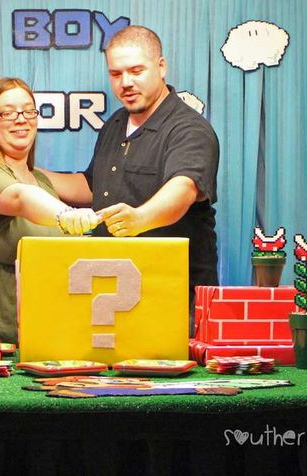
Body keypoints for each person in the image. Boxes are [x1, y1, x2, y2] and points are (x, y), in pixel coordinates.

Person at [42, 26, 220, 330]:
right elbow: (91, 187)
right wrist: (25, 172)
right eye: (116, 74)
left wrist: (140, 218)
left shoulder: (189, 130)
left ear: (161, 67)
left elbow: (183, 190)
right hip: (109, 294)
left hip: (173, 301)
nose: (126, 83)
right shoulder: (114, 124)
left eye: (136, 70)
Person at [0, 77, 100, 344]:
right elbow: (20, 198)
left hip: (36, 338)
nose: (21, 119)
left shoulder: (41, 182)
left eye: (29, 111)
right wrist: (67, 216)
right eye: (7, 113)